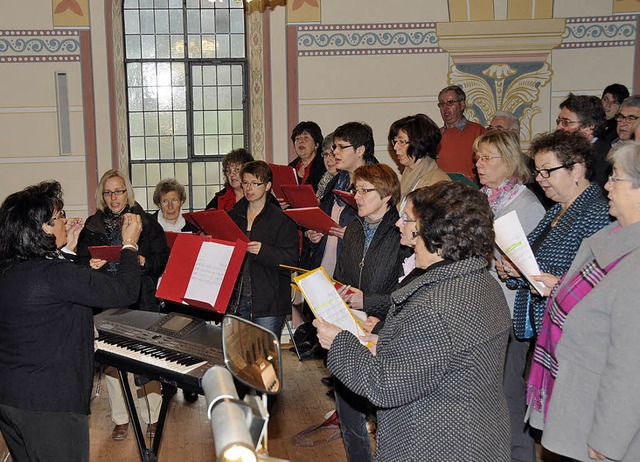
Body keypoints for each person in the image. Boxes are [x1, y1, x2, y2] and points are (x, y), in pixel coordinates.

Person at [314, 181, 512, 461]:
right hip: (479, 435)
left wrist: (339, 343)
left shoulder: (433, 305)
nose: (398, 225)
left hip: (435, 443)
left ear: (434, 233)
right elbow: (448, 357)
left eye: (407, 219)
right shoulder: (484, 283)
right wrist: (385, 343)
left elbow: (384, 386)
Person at [0, 181, 142, 461]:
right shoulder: (56, 274)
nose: (66, 219)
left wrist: (67, 252)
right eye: (60, 216)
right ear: (44, 228)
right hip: (50, 404)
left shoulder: (11, 269)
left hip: (11, 398)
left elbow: (53, 293)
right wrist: (129, 244)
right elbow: (124, 291)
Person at [537, 141, 640, 461]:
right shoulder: (613, 240)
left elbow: (630, 365)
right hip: (582, 403)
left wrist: (608, 440)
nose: (607, 185)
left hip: (605, 427)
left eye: (617, 178)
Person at [76, 168, 170, 441]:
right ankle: (120, 418)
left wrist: (144, 262)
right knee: (112, 363)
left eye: (118, 191)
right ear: (102, 196)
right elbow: (80, 262)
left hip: (141, 299)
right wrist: (90, 265)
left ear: (127, 192)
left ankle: (152, 415)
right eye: (108, 192)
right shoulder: (92, 226)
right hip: (106, 301)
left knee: (146, 358)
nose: (114, 197)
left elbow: (162, 258)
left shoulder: (147, 223)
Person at [497, 131, 610, 345]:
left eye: (547, 171)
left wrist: (528, 273)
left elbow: (595, 281)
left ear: (576, 170)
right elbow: (533, 259)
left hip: (571, 329)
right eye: (538, 171)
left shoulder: (597, 213)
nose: (539, 178)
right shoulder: (556, 209)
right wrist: (513, 269)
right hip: (545, 324)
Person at [474, 130, 545, 462]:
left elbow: (532, 267)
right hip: (487, 307)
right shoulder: (485, 198)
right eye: (477, 157)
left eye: (488, 158)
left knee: (508, 390)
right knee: (490, 391)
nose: (479, 164)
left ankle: (520, 456)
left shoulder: (526, 205)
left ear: (511, 161)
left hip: (511, 309)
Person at [329, 163, 403, 462]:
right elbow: (342, 273)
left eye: (364, 190)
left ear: (386, 195)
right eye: (355, 189)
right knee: (348, 411)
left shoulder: (402, 231)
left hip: (384, 329)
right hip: (349, 326)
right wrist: (335, 293)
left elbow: (406, 295)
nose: (356, 196)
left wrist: (368, 301)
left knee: (383, 412)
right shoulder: (355, 229)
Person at [226, 160, 299, 337]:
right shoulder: (232, 216)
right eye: (245, 183)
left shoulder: (281, 218)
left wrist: (263, 251)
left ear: (267, 186)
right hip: (237, 296)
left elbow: (291, 259)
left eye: (255, 183)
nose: (249, 188)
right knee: (238, 354)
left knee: (265, 356)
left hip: (269, 301)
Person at [302, 122, 378, 277]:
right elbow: (323, 220)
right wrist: (313, 234)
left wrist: (352, 235)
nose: (335, 152)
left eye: (341, 147)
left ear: (360, 150)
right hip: (325, 268)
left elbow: (382, 234)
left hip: (354, 274)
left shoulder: (376, 185)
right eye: (335, 147)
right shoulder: (335, 181)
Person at [387, 113, 450, 208]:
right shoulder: (408, 174)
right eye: (395, 141)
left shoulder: (437, 184)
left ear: (420, 143)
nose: (395, 147)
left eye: (402, 142)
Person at [555, 93, 610, 189]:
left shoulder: (606, 158)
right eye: (558, 121)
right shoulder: (559, 151)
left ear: (589, 126)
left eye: (566, 122)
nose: (558, 127)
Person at [435, 85, 486, 181]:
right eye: (442, 104)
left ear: (462, 105)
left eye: (450, 103)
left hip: (470, 192)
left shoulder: (478, 131)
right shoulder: (435, 136)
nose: (445, 108)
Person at [288, 121, 326, 192]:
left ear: (316, 144)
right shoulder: (290, 167)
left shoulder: (324, 167)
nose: (301, 141)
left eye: (306, 138)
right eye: (297, 139)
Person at [316, 132, 339, 201]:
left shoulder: (350, 179)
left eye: (333, 154)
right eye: (325, 154)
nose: (328, 159)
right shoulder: (326, 177)